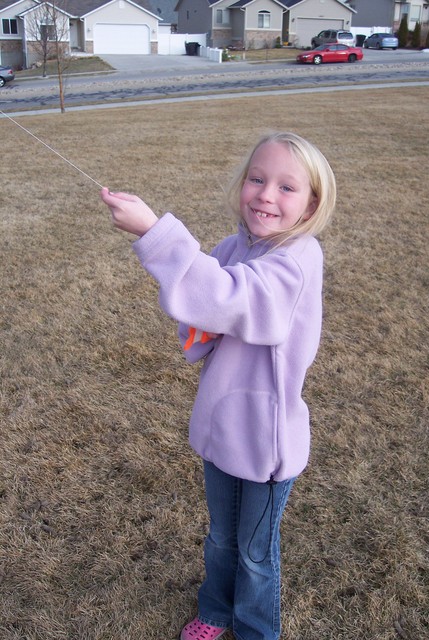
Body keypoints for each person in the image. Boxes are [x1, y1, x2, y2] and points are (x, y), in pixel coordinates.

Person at [100, 131, 336, 640]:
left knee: (254, 554)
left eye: (286, 187)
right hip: (222, 426)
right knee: (221, 540)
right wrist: (199, 318)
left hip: (265, 443)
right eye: (257, 178)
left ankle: (255, 629)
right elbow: (207, 305)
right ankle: (215, 611)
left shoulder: (297, 259)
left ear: (312, 203)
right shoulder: (235, 246)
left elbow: (232, 297)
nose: (266, 195)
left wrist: (155, 233)